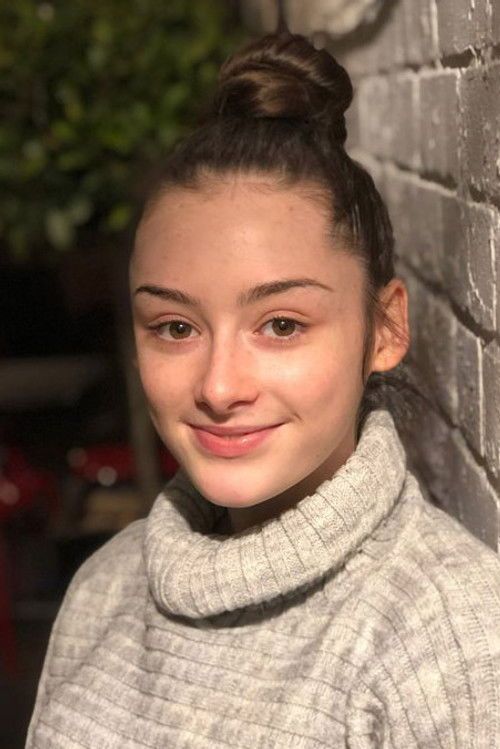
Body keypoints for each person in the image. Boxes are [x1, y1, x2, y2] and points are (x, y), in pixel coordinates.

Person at [27, 30, 500, 748]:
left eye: (281, 324)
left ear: (384, 329)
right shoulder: (103, 587)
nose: (219, 386)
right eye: (176, 327)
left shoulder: (453, 639)